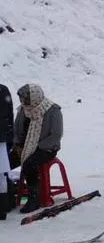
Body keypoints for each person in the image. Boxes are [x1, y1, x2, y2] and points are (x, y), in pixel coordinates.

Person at [11, 84, 63, 214]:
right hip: (25, 147)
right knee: (6, 162)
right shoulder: (23, 110)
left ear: (34, 97)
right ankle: (7, 193)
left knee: (29, 164)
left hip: (46, 148)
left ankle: (34, 198)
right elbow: (17, 131)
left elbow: (55, 135)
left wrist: (35, 147)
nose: (23, 101)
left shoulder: (53, 110)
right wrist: (18, 145)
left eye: (25, 98)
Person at [0, 82, 13, 219]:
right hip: (3, 138)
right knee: (1, 176)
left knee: (1, 175)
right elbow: (9, 116)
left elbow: (7, 115)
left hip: (2, 139)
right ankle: (3, 207)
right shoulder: (3, 90)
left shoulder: (2, 90)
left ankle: (3, 207)